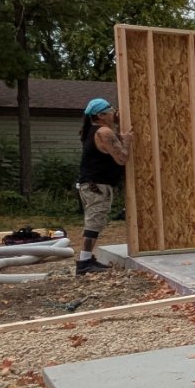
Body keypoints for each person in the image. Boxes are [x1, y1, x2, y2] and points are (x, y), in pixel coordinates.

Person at [76, 97, 131, 276]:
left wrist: (118, 126)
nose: (114, 112)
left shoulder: (95, 130)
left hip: (93, 185)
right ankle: (84, 263)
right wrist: (127, 141)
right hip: (96, 186)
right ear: (100, 115)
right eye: (110, 110)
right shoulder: (104, 132)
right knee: (94, 222)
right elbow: (121, 158)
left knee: (96, 221)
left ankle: (86, 259)